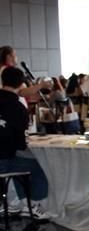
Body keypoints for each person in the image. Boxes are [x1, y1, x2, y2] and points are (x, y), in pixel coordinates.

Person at [0, 66, 50, 221]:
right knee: (39, 166)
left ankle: (13, 201)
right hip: (4, 160)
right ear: (21, 84)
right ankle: (31, 204)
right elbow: (19, 144)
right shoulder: (18, 108)